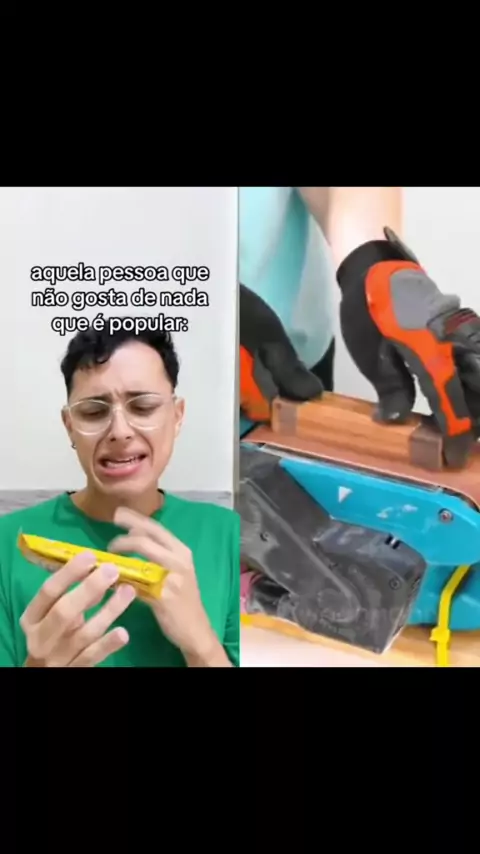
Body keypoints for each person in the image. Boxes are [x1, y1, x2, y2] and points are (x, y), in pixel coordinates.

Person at [0, 326, 239, 667]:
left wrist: (202, 644)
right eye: (93, 412)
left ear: (177, 416)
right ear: (69, 426)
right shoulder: (7, 543)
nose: (120, 431)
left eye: (143, 407)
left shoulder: (231, 535)